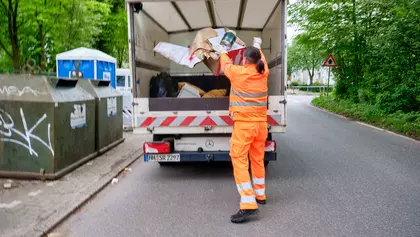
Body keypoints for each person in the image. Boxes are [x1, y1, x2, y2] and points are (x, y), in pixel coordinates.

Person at [214, 37, 269, 223]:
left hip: (244, 126)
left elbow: (225, 64)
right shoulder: (264, 72)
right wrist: (258, 45)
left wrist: (222, 49)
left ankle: (248, 204)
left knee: (239, 160)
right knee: (257, 159)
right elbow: (261, 57)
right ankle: (260, 195)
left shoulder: (239, 73)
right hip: (261, 126)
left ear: (245, 60)